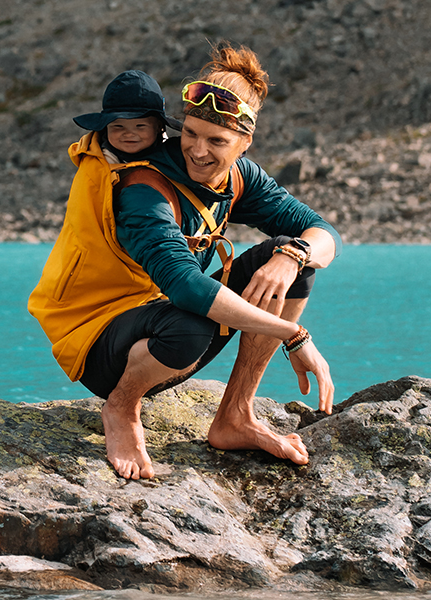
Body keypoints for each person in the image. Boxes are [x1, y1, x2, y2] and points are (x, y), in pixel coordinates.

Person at [29, 42, 342, 480]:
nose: (198, 150)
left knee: (291, 259)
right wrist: (293, 334)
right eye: (190, 133)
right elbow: (185, 286)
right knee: (191, 323)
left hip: (158, 318)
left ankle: (236, 416)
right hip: (101, 340)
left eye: (217, 141)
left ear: (245, 143)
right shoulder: (142, 187)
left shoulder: (239, 177)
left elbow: (324, 232)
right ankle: (121, 407)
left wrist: (292, 255)